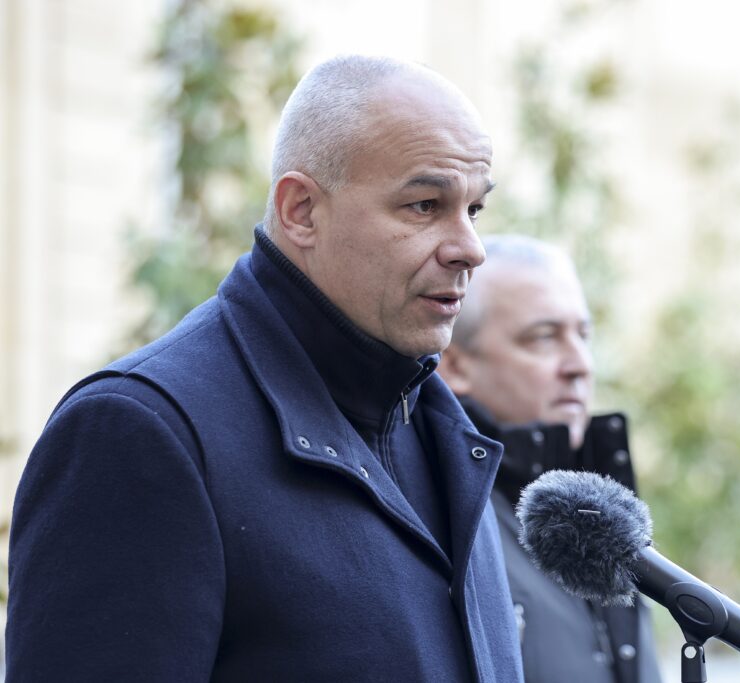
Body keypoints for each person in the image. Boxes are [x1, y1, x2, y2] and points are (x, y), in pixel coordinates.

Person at [6, 55, 523, 682]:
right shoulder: (139, 433)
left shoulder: (441, 426)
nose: (470, 248)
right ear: (301, 210)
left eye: (475, 209)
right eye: (424, 205)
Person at [438, 234, 662, 683]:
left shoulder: (603, 513)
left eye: (584, 335)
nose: (580, 365)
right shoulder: (444, 523)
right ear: (456, 364)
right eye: (544, 338)